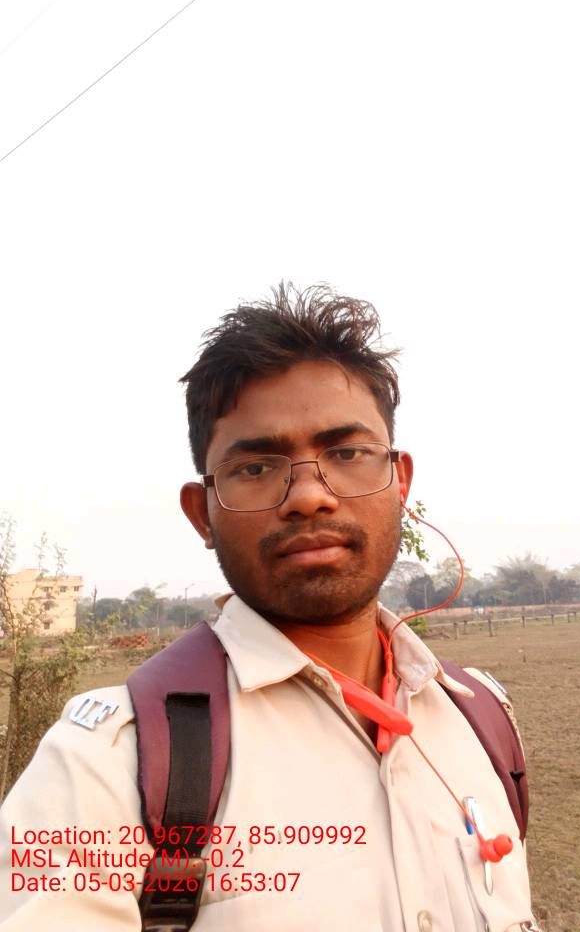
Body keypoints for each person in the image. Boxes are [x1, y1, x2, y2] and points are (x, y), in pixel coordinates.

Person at [0, 283, 539, 931]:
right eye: (256, 467)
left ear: (400, 482)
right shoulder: (109, 765)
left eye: (347, 453)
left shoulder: (481, 719)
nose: (309, 496)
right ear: (202, 514)